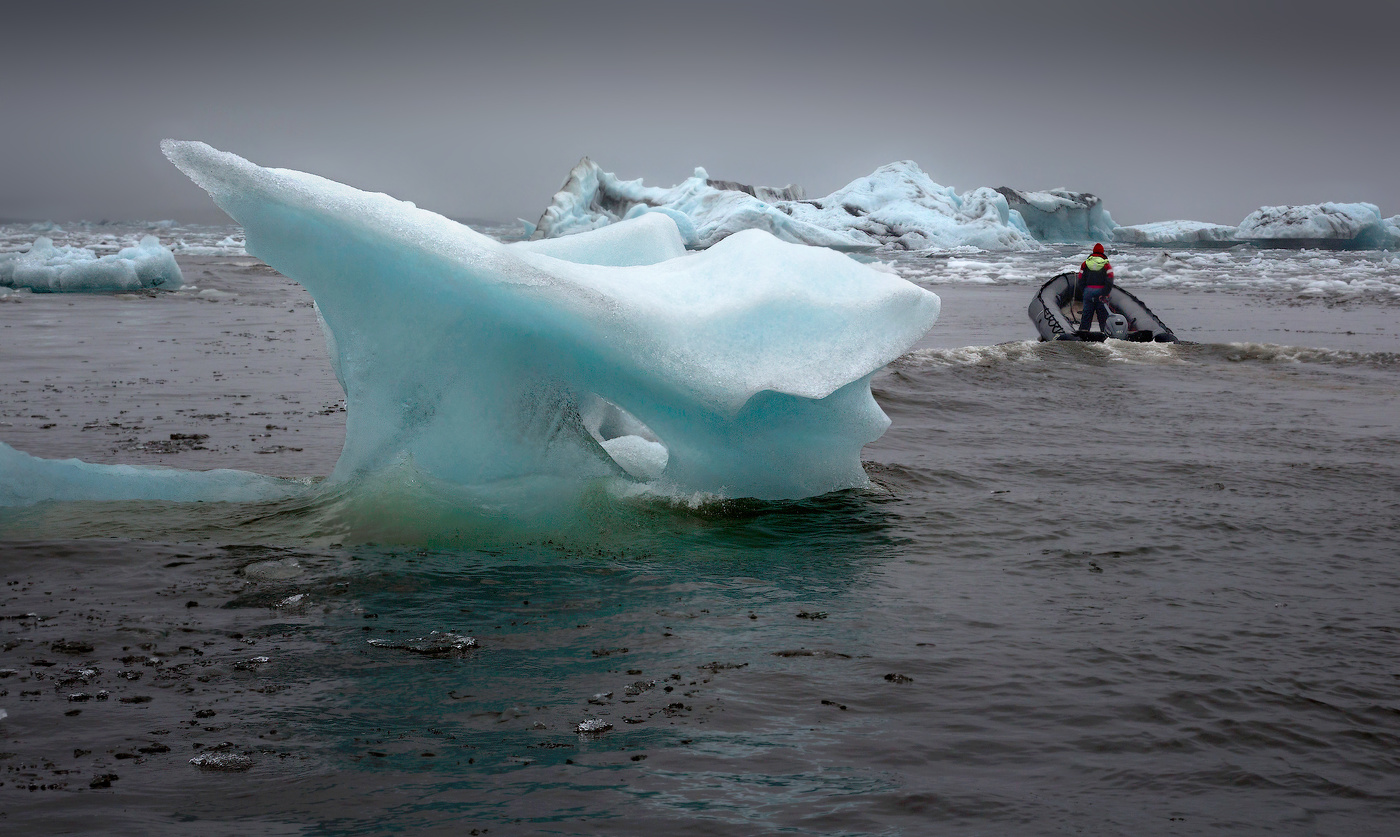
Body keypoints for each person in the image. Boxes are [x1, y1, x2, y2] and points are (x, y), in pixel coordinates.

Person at [1076, 243, 1115, 336]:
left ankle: (1083, 334)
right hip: (1101, 291)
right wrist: (1105, 293)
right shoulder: (1106, 264)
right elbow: (1110, 280)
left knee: (1086, 314)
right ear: (1102, 251)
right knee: (1102, 315)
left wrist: (1084, 291)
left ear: (1093, 251)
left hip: (1088, 291)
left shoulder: (1085, 263)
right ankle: (1105, 334)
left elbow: (1080, 278)